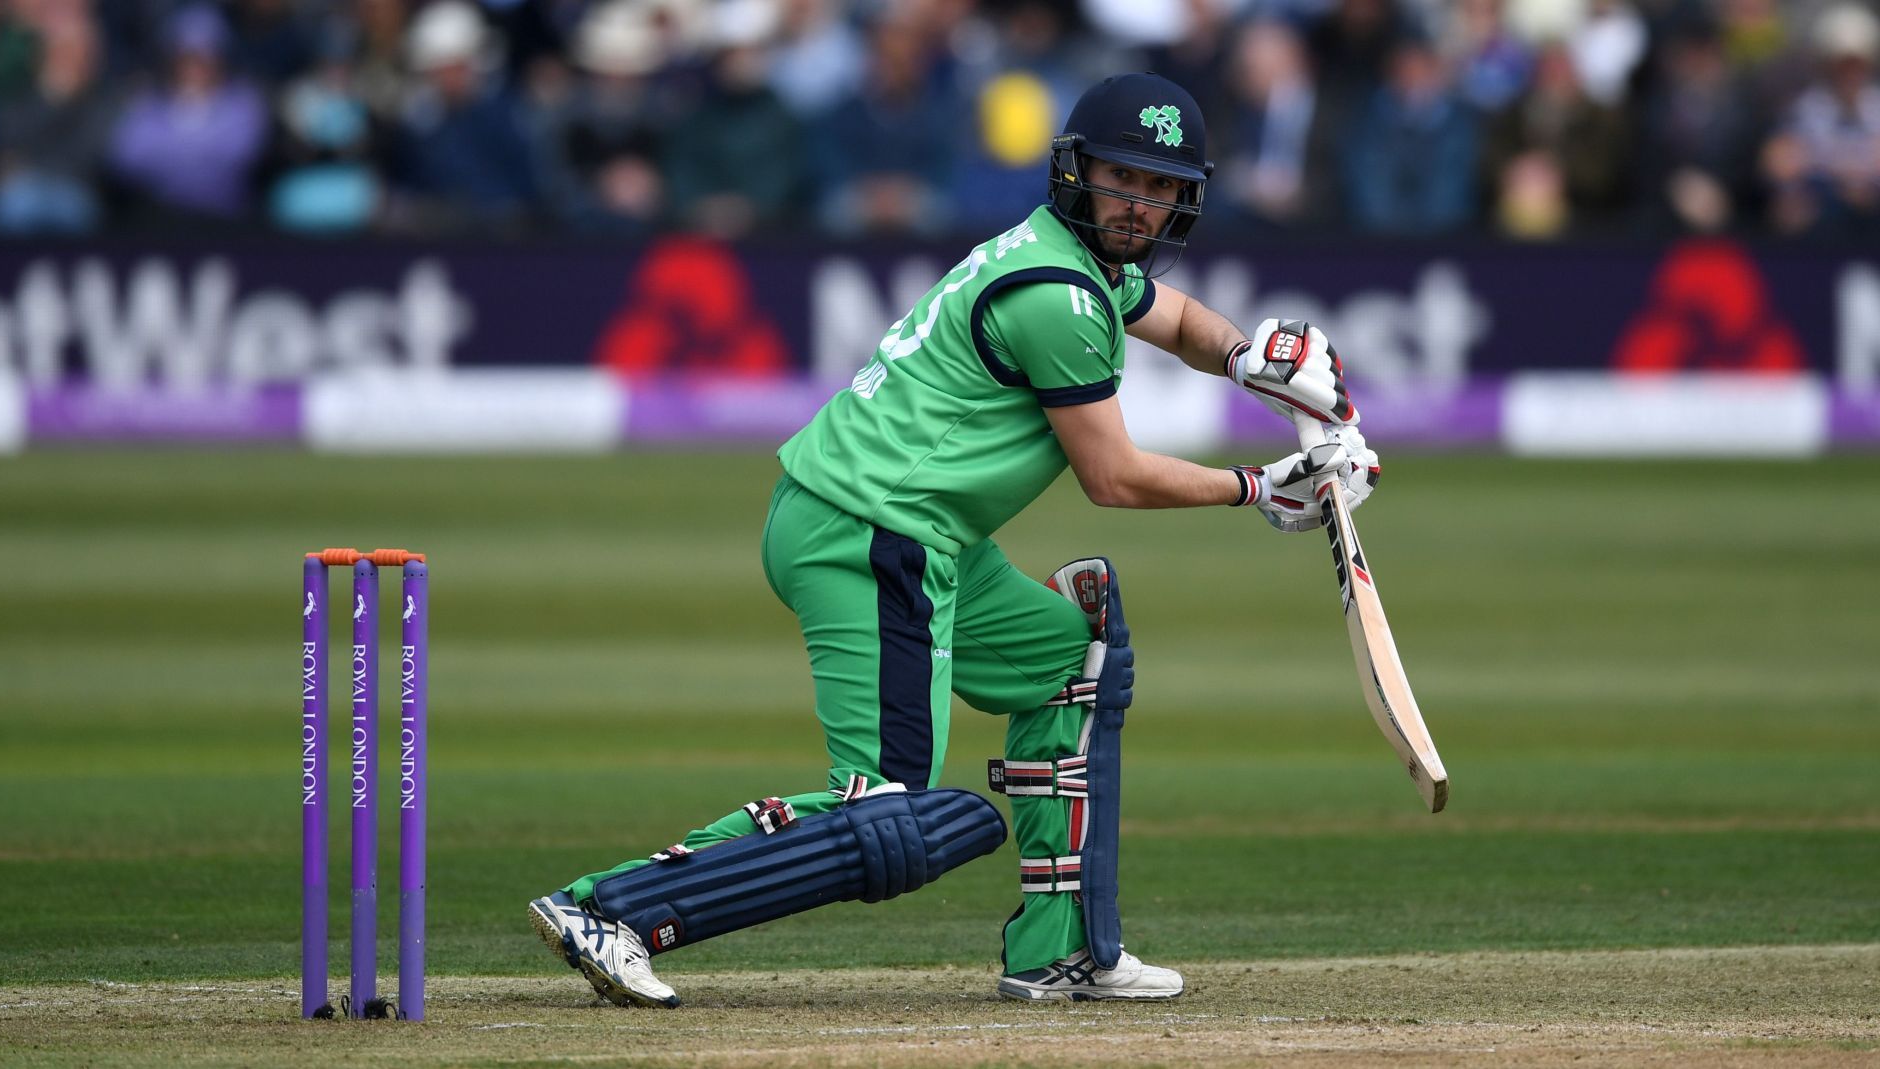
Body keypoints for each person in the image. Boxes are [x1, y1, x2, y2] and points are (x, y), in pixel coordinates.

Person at [528, 72, 1379, 1007]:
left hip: (916, 531)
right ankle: (611, 907)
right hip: (872, 532)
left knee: (1069, 656)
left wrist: (1252, 359)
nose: (1143, 206)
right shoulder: (1057, 295)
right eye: (1124, 180)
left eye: (1165, 188)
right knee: (887, 810)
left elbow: (1172, 316)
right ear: (1080, 172)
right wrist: (1259, 486)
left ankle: (1063, 949)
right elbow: (1112, 475)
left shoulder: (1078, 256)